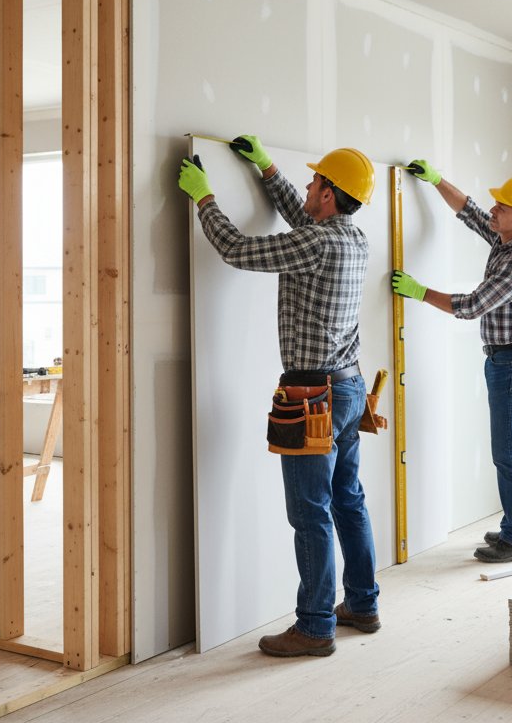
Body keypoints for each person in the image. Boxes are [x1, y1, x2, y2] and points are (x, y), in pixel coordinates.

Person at [178, 135, 381, 656]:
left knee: (310, 513)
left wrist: (204, 197)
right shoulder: (353, 238)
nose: (307, 187)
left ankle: (315, 627)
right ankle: (362, 604)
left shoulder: (316, 244)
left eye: (314, 182)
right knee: (348, 501)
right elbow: (303, 218)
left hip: (312, 396)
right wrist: (268, 170)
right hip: (348, 387)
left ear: (330, 194)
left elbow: (236, 249)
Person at [391, 160, 512, 563]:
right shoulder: (506, 238)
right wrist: (436, 180)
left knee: (509, 452)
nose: (494, 210)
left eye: (502, 207)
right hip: (510, 359)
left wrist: (419, 291)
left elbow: (474, 305)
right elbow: (470, 211)